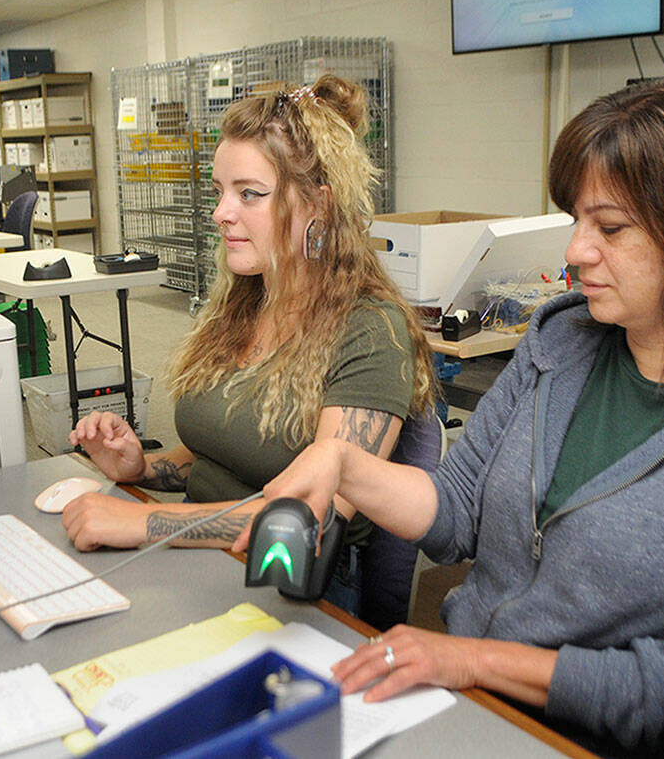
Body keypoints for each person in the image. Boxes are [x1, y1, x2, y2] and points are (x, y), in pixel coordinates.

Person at [247, 77, 664, 757]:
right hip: (483, 712)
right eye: (576, 220)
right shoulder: (560, 343)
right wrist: (344, 464)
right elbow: (456, 512)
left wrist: (474, 661)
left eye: (611, 227)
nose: (574, 251)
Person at [62, 75, 436, 614]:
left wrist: (143, 521)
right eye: (219, 192)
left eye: (250, 194)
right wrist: (141, 468)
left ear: (318, 206)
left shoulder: (370, 331)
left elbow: (312, 518)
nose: (221, 213)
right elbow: (226, 451)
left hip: (292, 586)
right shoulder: (243, 300)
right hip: (200, 557)